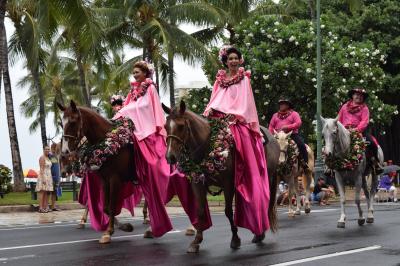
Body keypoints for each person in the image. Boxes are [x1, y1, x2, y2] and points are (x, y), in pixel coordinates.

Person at [203, 45, 270, 237]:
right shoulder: (219, 80)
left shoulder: (244, 79)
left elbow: (245, 103)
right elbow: (213, 100)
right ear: (225, 61)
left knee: (241, 139)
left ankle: (249, 176)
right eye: (229, 58)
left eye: (235, 58)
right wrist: (209, 111)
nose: (232, 61)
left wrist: (233, 116)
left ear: (239, 60)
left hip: (237, 120)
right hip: (219, 119)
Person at [338, 87, 383, 171]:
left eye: (361, 95)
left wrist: (356, 130)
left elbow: (364, 121)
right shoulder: (344, 107)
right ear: (352, 96)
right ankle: (329, 167)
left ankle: (375, 163)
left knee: (371, 143)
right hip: (344, 131)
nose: (359, 97)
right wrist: (341, 129)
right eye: (357, 95)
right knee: (331, 141)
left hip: (359, 131)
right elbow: (339, 120)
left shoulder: (365, 108)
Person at [269, 99, 309, 169]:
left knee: (301, 144)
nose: (281, 105)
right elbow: (271, 126)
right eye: (280, 104)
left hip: (291, 135)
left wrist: (288, 127)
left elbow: (298, 123)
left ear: (288, 105)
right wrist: (270, 135)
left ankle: (304, 162)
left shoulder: (294, 114)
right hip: (277, 136)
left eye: (283, 104)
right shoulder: (275, 115)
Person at [36, 146, 54, 213]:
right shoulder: (42, 157)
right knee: (42, 192)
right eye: (46, 149)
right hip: (43, 175)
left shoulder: (48, 158)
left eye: (48, 149)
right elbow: (41, 168)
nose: (47, 150)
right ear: (44, 150)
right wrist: (43, 178)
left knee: (46, 192)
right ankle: (40, 208)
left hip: (49, 175)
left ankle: (45, 207)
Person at [49, 143, 61, 211]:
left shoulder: (56, 156)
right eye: (55, 148)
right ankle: (48, 206)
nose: (56, 150)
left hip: (56, 177)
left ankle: (53, 206)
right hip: (52, 176)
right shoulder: (50, 156)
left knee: (54, 192)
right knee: (50, 192)